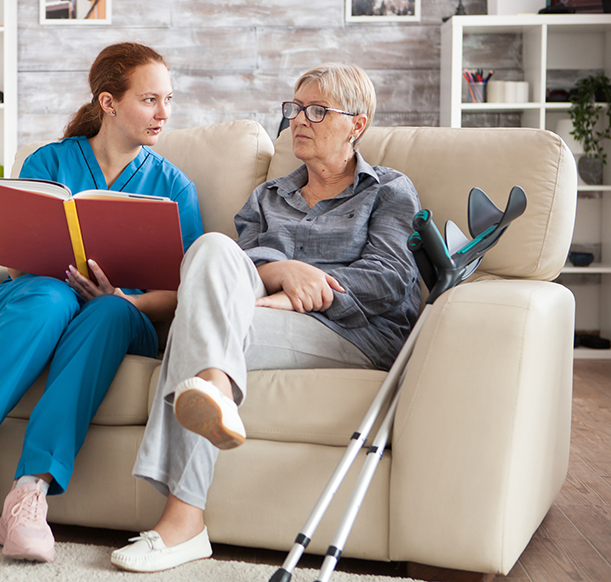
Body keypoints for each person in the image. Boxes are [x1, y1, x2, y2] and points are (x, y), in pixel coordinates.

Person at [111, 62, 422, 572]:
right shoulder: (267, 196)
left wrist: (301, 291)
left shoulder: (388, 190)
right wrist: (282, 270)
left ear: (357, 124)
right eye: (295, 109)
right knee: (210, 248)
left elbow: (388, 279)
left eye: (317, 110)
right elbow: (240, 266)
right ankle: (214, 388)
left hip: (354, 332)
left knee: (199, 322)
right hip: (261, 315)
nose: (299, 120)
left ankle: (184, 518)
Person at [0, 42, 204, 563]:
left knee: (111, 310)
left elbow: (182, 292)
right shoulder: (48, 161)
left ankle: (30, 494)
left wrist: (121, 297)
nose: (164, 114)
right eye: (150, 99)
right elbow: (17, 261)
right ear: (109, 103)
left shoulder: (173, 186)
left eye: (169, 100)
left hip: (122, 317)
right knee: (48, 297)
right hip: (34, 299)